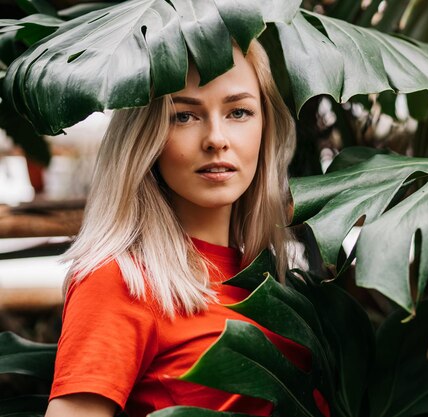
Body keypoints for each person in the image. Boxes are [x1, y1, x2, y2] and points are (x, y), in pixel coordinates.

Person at [45, 40, 325, 417]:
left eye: (238, 112)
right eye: (184, 116)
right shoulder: (121, 280)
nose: (216, 139)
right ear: (146, 136)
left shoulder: (274, 281)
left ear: (265, 127)